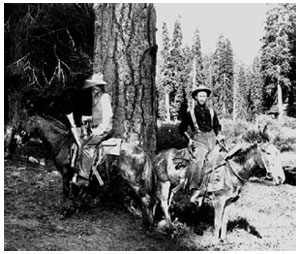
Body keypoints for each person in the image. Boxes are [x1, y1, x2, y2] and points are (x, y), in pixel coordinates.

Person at [178, 85, 225, 203]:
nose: (202, 98)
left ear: (207, 97)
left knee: (222, 159)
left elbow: (217, 126)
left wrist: (219, 134)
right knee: (199, 159)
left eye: (204, 96)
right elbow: (182, 128)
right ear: (196, 97)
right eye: (200, 96)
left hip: (212, 139)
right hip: (199, 140)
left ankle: (218, 189)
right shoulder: (191, 113)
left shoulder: (212, 112)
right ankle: (195, 189)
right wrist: (189, 139)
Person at [66, 73, 113, 187]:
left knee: (87, 146)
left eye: (98, 86)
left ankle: (84, 178)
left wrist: (99, 130)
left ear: (101, 86)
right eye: (94, 85)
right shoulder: (95, 97)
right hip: (97, 127)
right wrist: (88, 118)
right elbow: (99, 115)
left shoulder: (105, 97)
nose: (95, 88)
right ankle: (76, 171)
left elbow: (108, 116)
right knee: (80, 142)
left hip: (105, 128)